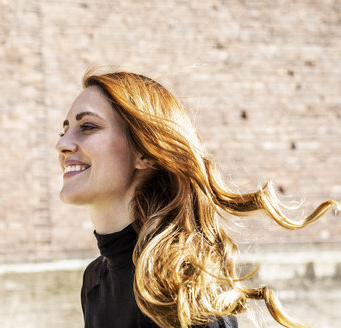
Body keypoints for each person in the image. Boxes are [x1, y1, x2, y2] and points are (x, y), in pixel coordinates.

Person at [55, 69, 338, 328]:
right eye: (64, 130)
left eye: (88, 127)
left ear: (144, 151)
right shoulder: (94, 282)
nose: (63, 144)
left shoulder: (179, 285)